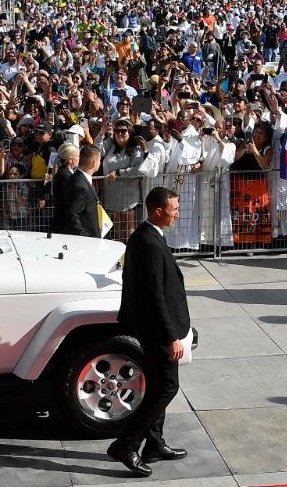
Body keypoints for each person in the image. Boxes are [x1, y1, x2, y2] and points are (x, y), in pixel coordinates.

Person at [108, 187, 190, 477]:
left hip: (154, 326)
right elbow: (155, 295)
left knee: (158, 385)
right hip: (157, 331)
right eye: (174, 208)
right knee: (167, 387)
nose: (177, 213)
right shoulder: (150, 243)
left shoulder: (147, 236)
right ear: (158, 211)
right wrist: (171, 337)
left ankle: (154, 444)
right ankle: (127, 444)